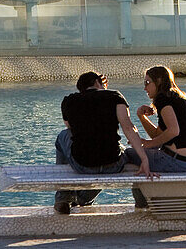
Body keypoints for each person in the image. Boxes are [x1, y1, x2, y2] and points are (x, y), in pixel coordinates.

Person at [54, 71, 152, 215]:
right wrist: (144, 158)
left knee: (63, 136)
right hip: (114, 164)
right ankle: (141, 201)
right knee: (126, 151)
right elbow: (128, 127)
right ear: (97, 82)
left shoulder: (69, 100)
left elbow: (71, 128)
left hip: (82, 164)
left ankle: (63, 198)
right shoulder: (114, 96)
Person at [129, 65, 186, 207]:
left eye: (147, 83)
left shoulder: (163, 99)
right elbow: (158, 135)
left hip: (177, 161)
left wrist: (147, 144)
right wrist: (141, 116)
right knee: (141, 155)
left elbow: (173, 131)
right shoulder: (178, 98)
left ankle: (142, 204)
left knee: (129, 154)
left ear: (159, 81)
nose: (145, 88)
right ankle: (147, 201)